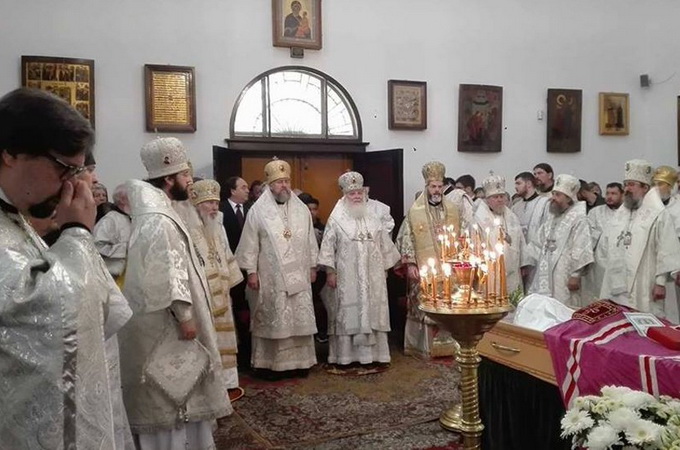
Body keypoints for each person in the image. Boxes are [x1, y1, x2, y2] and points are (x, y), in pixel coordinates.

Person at [0, 88, 121, 448]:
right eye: (63, 168)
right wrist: (77, 232)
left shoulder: (15, 217)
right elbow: (47, 315)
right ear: (9, 154)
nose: (71, 183)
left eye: (78, 170)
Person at [119, 137, 231, 449]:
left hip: (166, 319)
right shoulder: (158, 219)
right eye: (184, 175)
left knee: (183, 385)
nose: (190, 181)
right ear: (169, 179)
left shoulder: (159, 211)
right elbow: (166, 271)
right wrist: (185, 316)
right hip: (168, 324)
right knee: (175, 390)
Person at [236, 158, 319, 379]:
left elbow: (310, 240)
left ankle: (301, 363)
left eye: (286, 181)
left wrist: (313, 266)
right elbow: (250, 243)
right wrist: (251, 272)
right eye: (279, 182)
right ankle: (271, 365)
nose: (284, 186)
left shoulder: (301, 209)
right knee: (275, 317)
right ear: (270, 185)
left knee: (298, 317)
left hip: (300, 275)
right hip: (271, 277)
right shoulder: (258, 211)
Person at [318, 172, 400, 370]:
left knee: (373, 312)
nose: (356, 196)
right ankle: (345, 357)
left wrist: (385, 268)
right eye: (352, 193)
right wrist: (330, 272)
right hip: (347, 276)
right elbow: (328, 247)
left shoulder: (373, 218)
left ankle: (375, 355)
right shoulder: (336, 219)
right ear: (345, 195)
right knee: (348, 313)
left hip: (373, 276)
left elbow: (384, 245)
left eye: (359, 193)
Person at [178, 179, 245, 400]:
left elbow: (225, 253)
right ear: (197, 204)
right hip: (202, 294)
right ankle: (209, 386)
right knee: (208, 338)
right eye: (209, 203)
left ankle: (228, 383)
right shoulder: (188, 228)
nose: (214, 208)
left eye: (216, 203)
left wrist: (229, 281)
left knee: (225, 338)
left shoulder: (218, 225)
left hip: (222, 292)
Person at [600, 160, 680, 319]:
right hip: (617, 283)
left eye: (632, 185)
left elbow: (666, 249)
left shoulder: (658, 214)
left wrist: (660, 283)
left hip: (645, 281)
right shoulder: (620, 214)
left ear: (645, 188)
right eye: (625, 184)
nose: (627, 189)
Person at [396, 161, 461, 358]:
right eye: (433, 186)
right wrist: (410, 264)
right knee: (423, 305)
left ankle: (450, 345)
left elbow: (461, 237)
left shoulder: (452, 210)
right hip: (424, 269)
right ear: (426, 187)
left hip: (449, 268)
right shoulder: (415, 211)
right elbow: (406, 237)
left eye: (440, 186)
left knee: (449, 303)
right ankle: (423, 347)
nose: (437, 190)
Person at [526, 174, 593, 307]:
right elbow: (538, 241)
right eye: (553, 194)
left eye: (557, 195)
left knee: (563, 305)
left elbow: (581, 246)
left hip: (564, 272)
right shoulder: (552, 216)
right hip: (545, 269)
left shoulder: (579, 219)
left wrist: (575, 275)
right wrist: (529, 261)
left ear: (568, 198)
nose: (552, 198)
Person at [474, 173, 528, 295]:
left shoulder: (511, 217)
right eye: (495, 197)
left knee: (512, 300)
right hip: (490, 271)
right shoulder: (479, 219)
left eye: (502, 196)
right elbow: (475, 245)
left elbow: (521, 240)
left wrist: (523, 264)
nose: (499, 200)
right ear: (487, 199)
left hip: (512, 270)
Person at [221, 175, 252, 368]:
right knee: (235, 310)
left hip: (249, 270)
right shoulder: (221, 211)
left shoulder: (252, 210)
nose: (247, 190)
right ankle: (237, 352)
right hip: (229, 270)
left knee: (248, 311)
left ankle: (249, 352)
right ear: (232, 190)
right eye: (243, 187)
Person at [582, 182, 623, 304]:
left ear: (622, 195)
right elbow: (587, 238)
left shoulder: (627, 213)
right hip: (599, 264)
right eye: (607, 193)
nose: (609, 196)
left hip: (621, 263)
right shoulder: (595, 213)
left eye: (614, 193)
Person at [93, 183, 132, 283]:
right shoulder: (110, 219)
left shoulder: (133, 219)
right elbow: (97, 245)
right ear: (122, 200)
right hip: (111, 277)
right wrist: (126, 248)